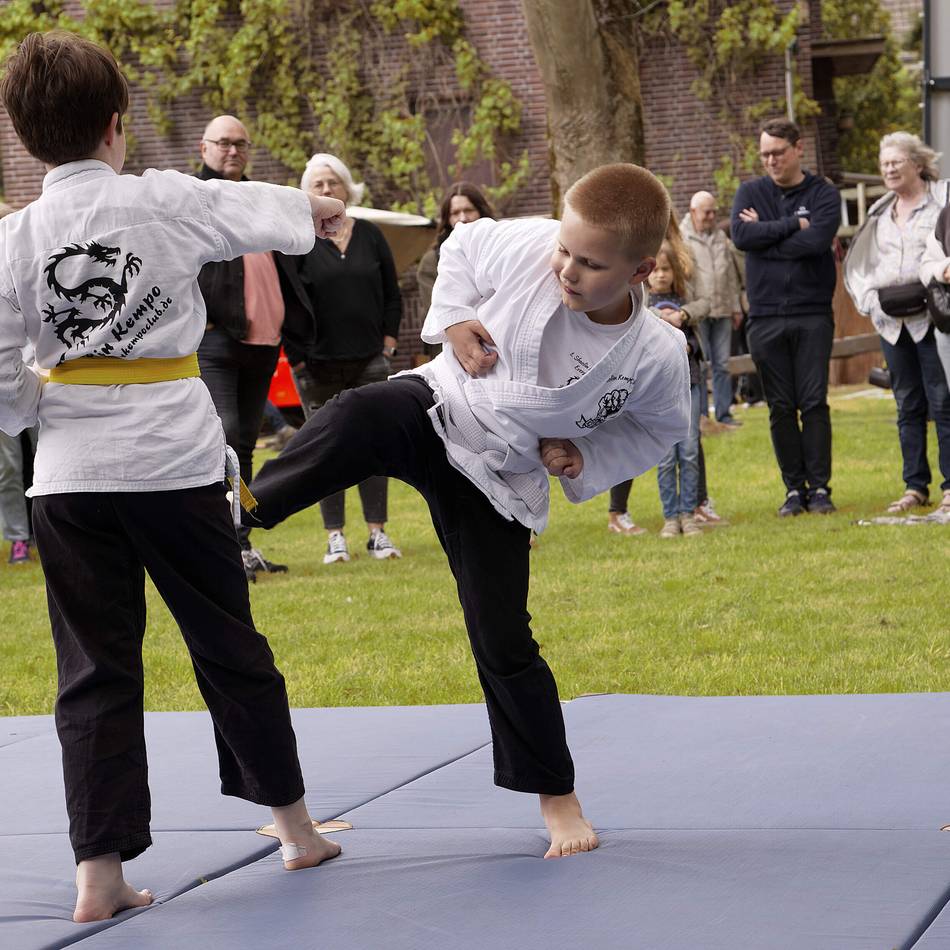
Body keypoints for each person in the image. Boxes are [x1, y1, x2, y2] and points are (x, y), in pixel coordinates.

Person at [246, 163, 690, 858]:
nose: (568, 271)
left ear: (641, 271)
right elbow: (459, 247)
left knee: (502, 635)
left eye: (591, 265)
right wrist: (452, 318)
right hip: (441, 404)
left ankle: (558, 800)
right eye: (565, 251)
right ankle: (233, 516)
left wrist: (587, 458)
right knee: (359, 413)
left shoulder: (658, 354)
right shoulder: (527, 245)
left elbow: (660, 429)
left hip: (502, 477)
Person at [0, 31, 345, 922]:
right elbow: (281, 215)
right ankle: (296, 828)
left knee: (93, 670)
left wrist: (40, 409)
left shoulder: (14, 238)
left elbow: (2, 385)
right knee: (227, 642)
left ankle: (99, 876)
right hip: (173, 468)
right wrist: (323, 203)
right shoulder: (163, 198)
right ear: (119, 124)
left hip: (71, 478)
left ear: (25, 135)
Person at [196, 114, 315, 582]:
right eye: (223, 143)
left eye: (241, 144)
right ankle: (216, 544)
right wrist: (203, 319)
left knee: (244, 442)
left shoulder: (257, 197)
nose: (233, 151)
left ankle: (240, 543)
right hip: (217, 341)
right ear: (204, 148)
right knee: (224, 435)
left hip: (264, 343)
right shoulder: (194, 198)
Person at [292, 153, 403, 564]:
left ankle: (378, 533)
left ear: (346, 188)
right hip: (316, 366)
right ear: (306, 194)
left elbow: (392, 293)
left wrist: (388, 344)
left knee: (373, 446)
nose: (326, 190)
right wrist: (298, 359)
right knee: (327, 449)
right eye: (318, 185)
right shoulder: (299, 239)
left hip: (369, 361)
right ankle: (335, 536)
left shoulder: (371, 234)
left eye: (332, 183)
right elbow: (288, 302)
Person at [731, 118, 841, 517]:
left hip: (812, 313)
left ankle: (820, 488)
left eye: (778, 152)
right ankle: (794, 490)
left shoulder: (824, 193)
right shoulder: (750, 191)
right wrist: (793, 224)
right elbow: (742, 238)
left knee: (813, 402)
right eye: (765, 155)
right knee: (780, 406)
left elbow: (816, 244)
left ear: (798, 149)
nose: (771, 161)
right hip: (765, 317)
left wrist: (767, 234)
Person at [846, 132, 950, 515]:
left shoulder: (941, 202)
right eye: (884, 163)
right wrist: (871, 302)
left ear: (917, 164)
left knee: (943, 401)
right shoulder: (879, 211)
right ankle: (915, 486)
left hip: (933, 319)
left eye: (896, 162)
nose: (888, 169)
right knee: (907, 404)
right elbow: (865, 261)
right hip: (892, 322)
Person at [646, 241, 706, 538]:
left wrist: (681, 317)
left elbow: (705, 303)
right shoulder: (641, 306)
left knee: (690, 450)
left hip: (690, 381)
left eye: (666, 269)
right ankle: (670, 516)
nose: (660, 275)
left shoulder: (685, 301)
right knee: (667, 455)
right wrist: (659, 319)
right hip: (659, 391)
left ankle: (689, 513)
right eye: (655, 269)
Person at [682, 191, 743, 427]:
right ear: (693, 211)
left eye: (714, 211)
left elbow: (731, 277)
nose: (712, 216)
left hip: (723, 309)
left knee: (723, 365)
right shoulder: (682, 237)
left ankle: (724, 414)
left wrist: (736, 307)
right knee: (701, 364)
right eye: (707, 211)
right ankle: (702, 417)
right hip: (697, 313)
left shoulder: (721, 237)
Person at [417, 182, 496, 358]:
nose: (462, 218)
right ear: (447, 219)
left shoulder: (501, 250)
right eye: (455, 213)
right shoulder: (431, 262)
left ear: (481, 212)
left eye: (468, 210)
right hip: (453, 350)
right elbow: (440, 311)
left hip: (499, 341)